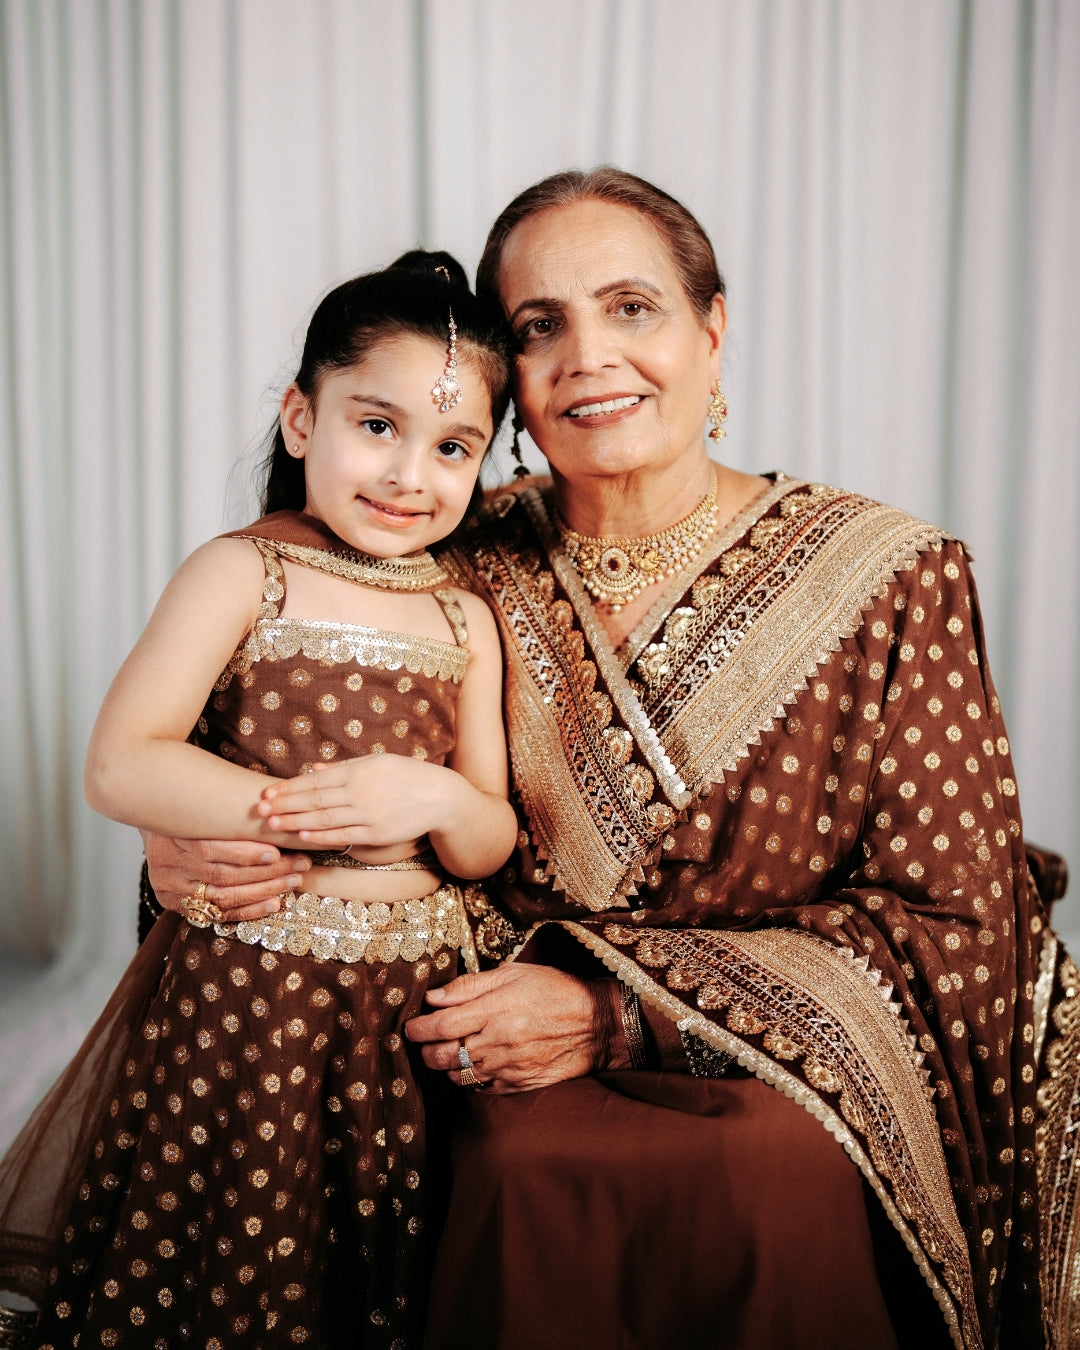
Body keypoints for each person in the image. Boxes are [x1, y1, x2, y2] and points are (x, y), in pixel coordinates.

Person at [138, 170, 1077, 1349]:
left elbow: (960, 923)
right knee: (491, 1156)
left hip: (780, 1069)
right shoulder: (434, 553)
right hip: (451, 1033)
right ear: (506, 382)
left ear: (711, 329)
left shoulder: (893, 577)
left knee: (756, 1170)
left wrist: (616, 1008)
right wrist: (203, 839)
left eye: (631, 307)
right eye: (540, 327)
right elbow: (246, 728)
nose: (589, 356)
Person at [0, 251, 518, 1348]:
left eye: (452, 446)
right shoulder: (244, 572)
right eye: (375, 426)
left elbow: (486, 836)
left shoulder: (469, 619)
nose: (408, 474)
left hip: (403, 1008)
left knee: (373, 1246)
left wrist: (421, 792)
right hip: (245, 990)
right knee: (239, 1229)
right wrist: (307, 816)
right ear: (299, 418)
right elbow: (122, 762)